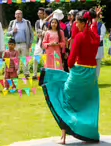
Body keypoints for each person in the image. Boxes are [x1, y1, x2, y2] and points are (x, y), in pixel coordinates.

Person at [39, 9, 100, 144]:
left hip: (79, 72)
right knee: (88, 102)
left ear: (84, 23)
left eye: (78, 22)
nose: (76, 25)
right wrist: (95, 20)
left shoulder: (79, 37)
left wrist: (71, 66)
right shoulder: (95, 35)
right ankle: (90, 134)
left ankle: (64, 137)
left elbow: (72, 58)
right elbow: (94, 28)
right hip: (91, 75)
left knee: (65, 99)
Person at [7, 10, 34, 78]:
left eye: (19, 14)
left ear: (22, 15)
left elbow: (31, 33)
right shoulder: (12, 22)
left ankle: (26, 73)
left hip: (25, 44)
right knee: (15, 60)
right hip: (15, 45)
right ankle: (16, 73)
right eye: (17, 14)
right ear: (15, 15)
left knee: (25, 59)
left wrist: (30, 43)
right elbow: (8, 33)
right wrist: (13, 31)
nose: (18, 15)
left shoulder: (27, 22)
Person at [33, 7, 46, 80]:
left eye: (41, 13)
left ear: (44, 14)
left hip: (45, 42)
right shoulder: (37, 22)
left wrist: (42, 33)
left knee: (45, 59)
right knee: (35, 58)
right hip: (38, 42)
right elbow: (36, 30)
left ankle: (44, 74)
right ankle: (35, 74)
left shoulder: (47, 21)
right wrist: (39, 33)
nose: (39, 14)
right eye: (38, 13)